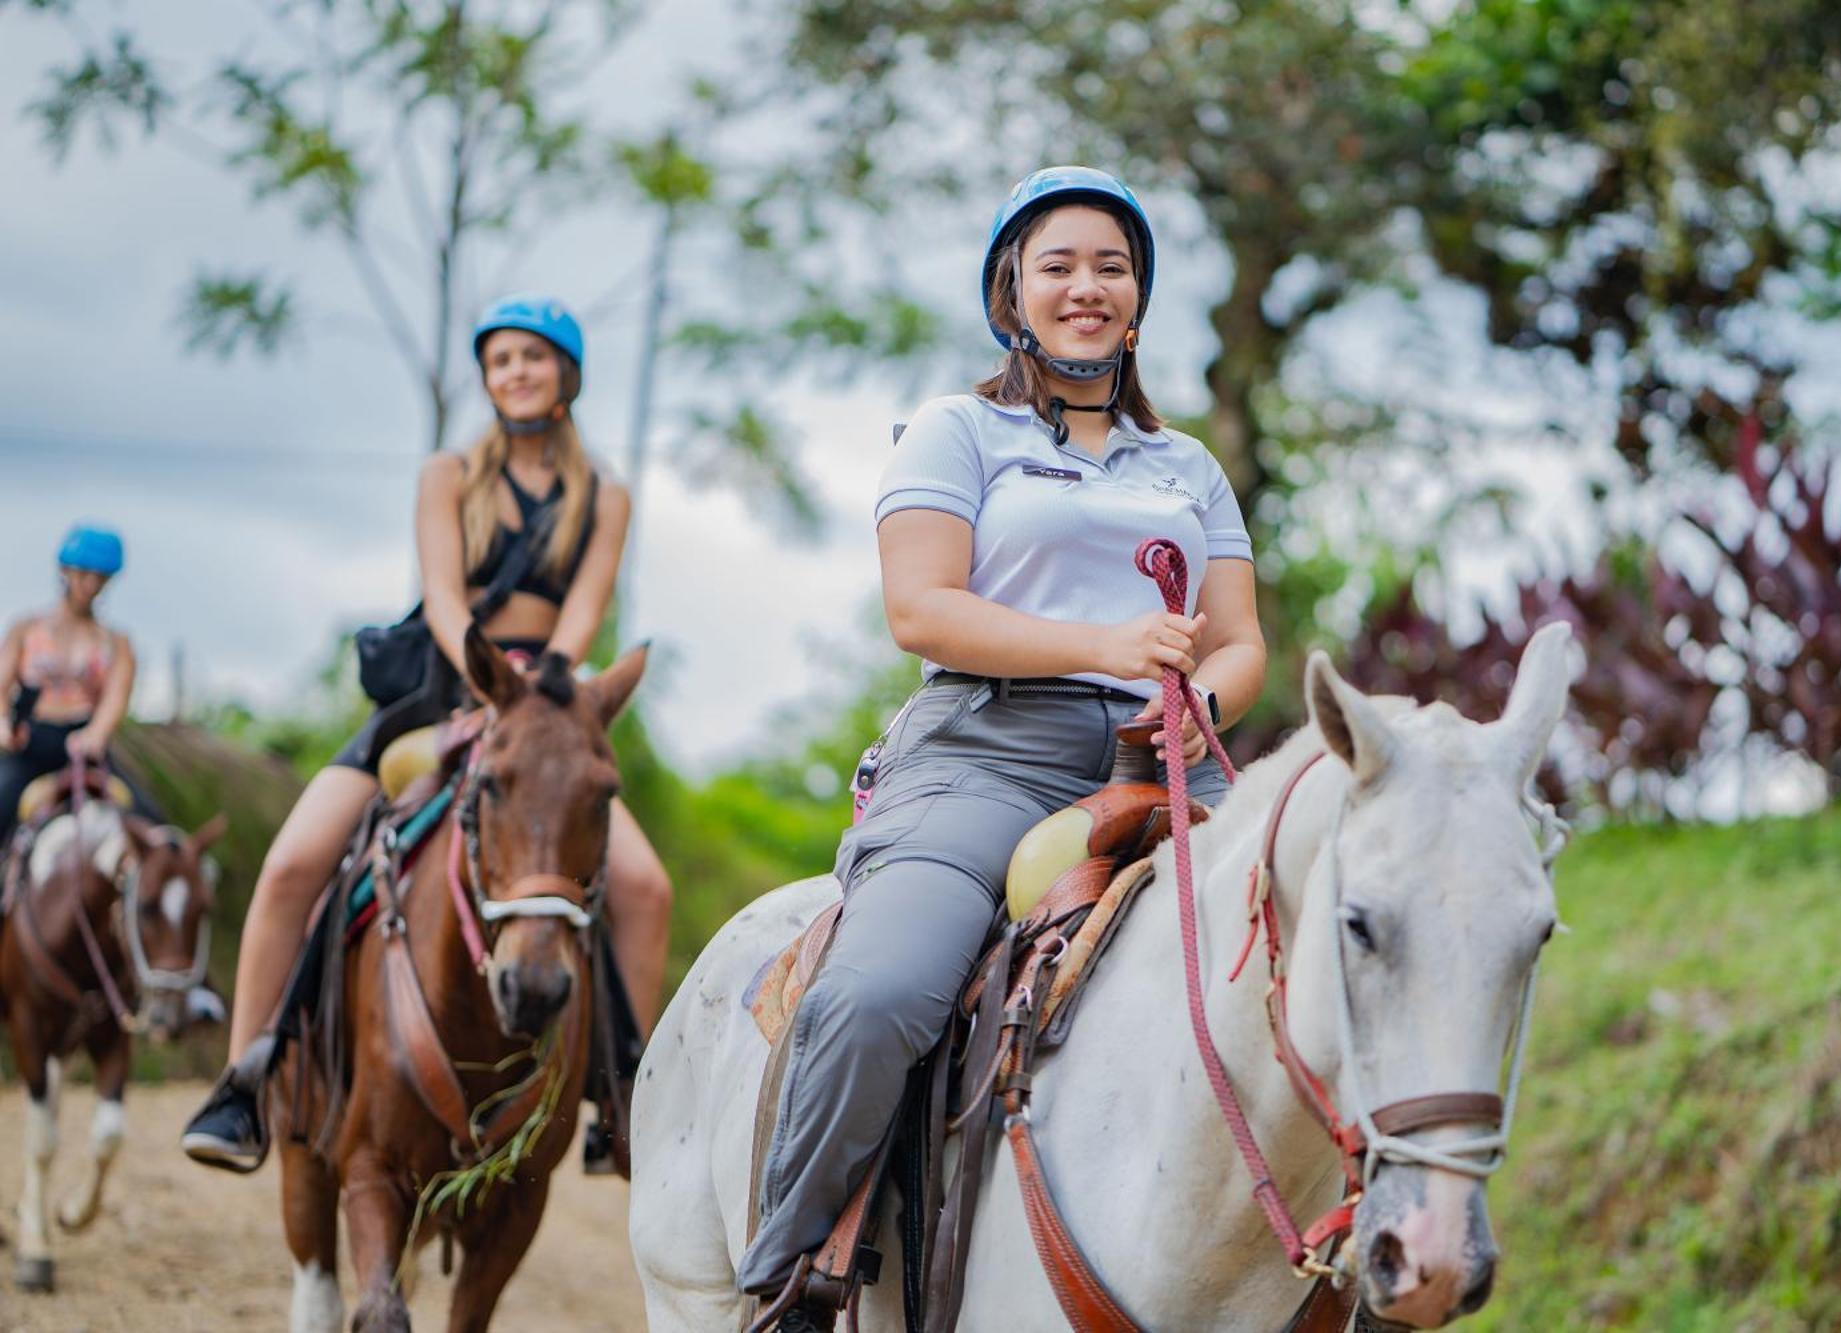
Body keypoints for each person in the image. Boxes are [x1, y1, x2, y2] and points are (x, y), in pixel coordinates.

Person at [740, 167, 1267, 1325]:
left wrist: (1197, 706)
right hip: (986, 750)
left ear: (1139, 301)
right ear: (1009, 293)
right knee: (881, 991)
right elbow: (920, 610)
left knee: (1312, 956)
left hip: (1158, 755)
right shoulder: (955, 430)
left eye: (1112, 266)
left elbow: (1237, 644)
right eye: (1059, 265)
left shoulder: (1186, 465)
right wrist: (1107, 643)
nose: (1087, 287)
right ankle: (791, 1278)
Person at [180, 295, 674, 1172]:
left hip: (547, 704)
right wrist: (492, 680)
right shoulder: (449, 473)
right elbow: (445, 594)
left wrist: (538, 696)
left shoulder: (606, 495)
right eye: (499, 359)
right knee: (296, 861)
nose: (515, 371)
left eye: (533, 355)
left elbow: (586, 610)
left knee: (642, 886)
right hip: (447, 681)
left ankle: (619, 1098)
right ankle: (243, 1080)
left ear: (567, 373)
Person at [0, 524, 159, 847]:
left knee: (149, 823)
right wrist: (3, 726)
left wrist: (95, 735)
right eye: (83, 573)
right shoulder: (25, 629)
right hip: (30, 740)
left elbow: (115, 700)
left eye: (99, 577)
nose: (89, 584)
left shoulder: (116, 643)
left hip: (83, 744)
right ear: (65, 571)